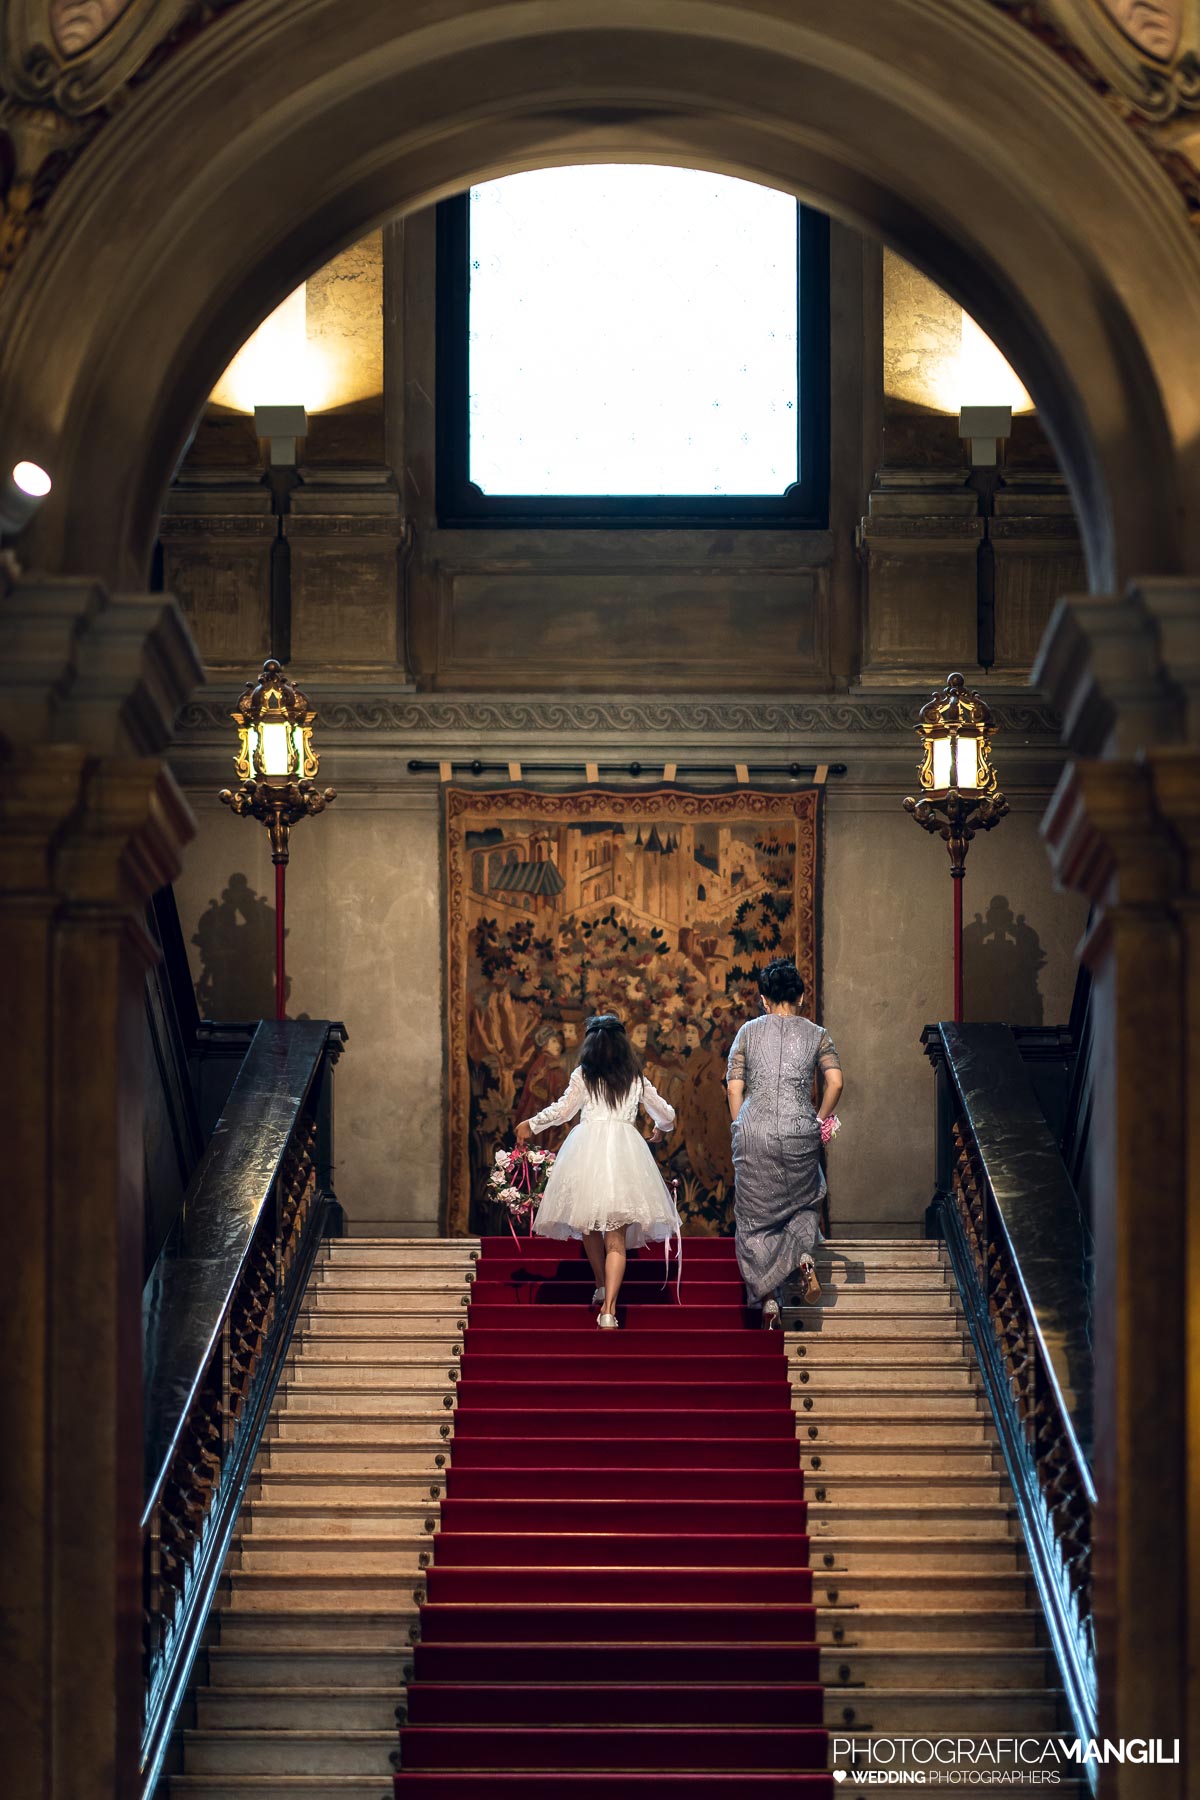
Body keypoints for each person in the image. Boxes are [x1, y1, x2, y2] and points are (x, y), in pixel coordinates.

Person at [516, 1013, 680, 1329]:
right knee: (614, 1237)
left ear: (590, 1044)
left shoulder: (584, 1075)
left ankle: (602, 1287)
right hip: (624, 1153)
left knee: (590, 1226)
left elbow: (563, 1111)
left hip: (586, 1150)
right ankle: (609, 1308)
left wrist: (531, 1124)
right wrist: (661, 1128)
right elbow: (667, 1113)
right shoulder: (635, 1077)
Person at [726, 957, 843, 1328]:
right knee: (805, 1202)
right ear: (802, 996)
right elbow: (836, 1082)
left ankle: (768, 1299)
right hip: (799, 1128)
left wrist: (740, 1123)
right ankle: (804, 1258)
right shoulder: (817, 1034)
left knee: (754, 1217)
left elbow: (734, 1085)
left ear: (763, 999)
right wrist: (819, 1121)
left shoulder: (746, 1032)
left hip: (754, 1128)